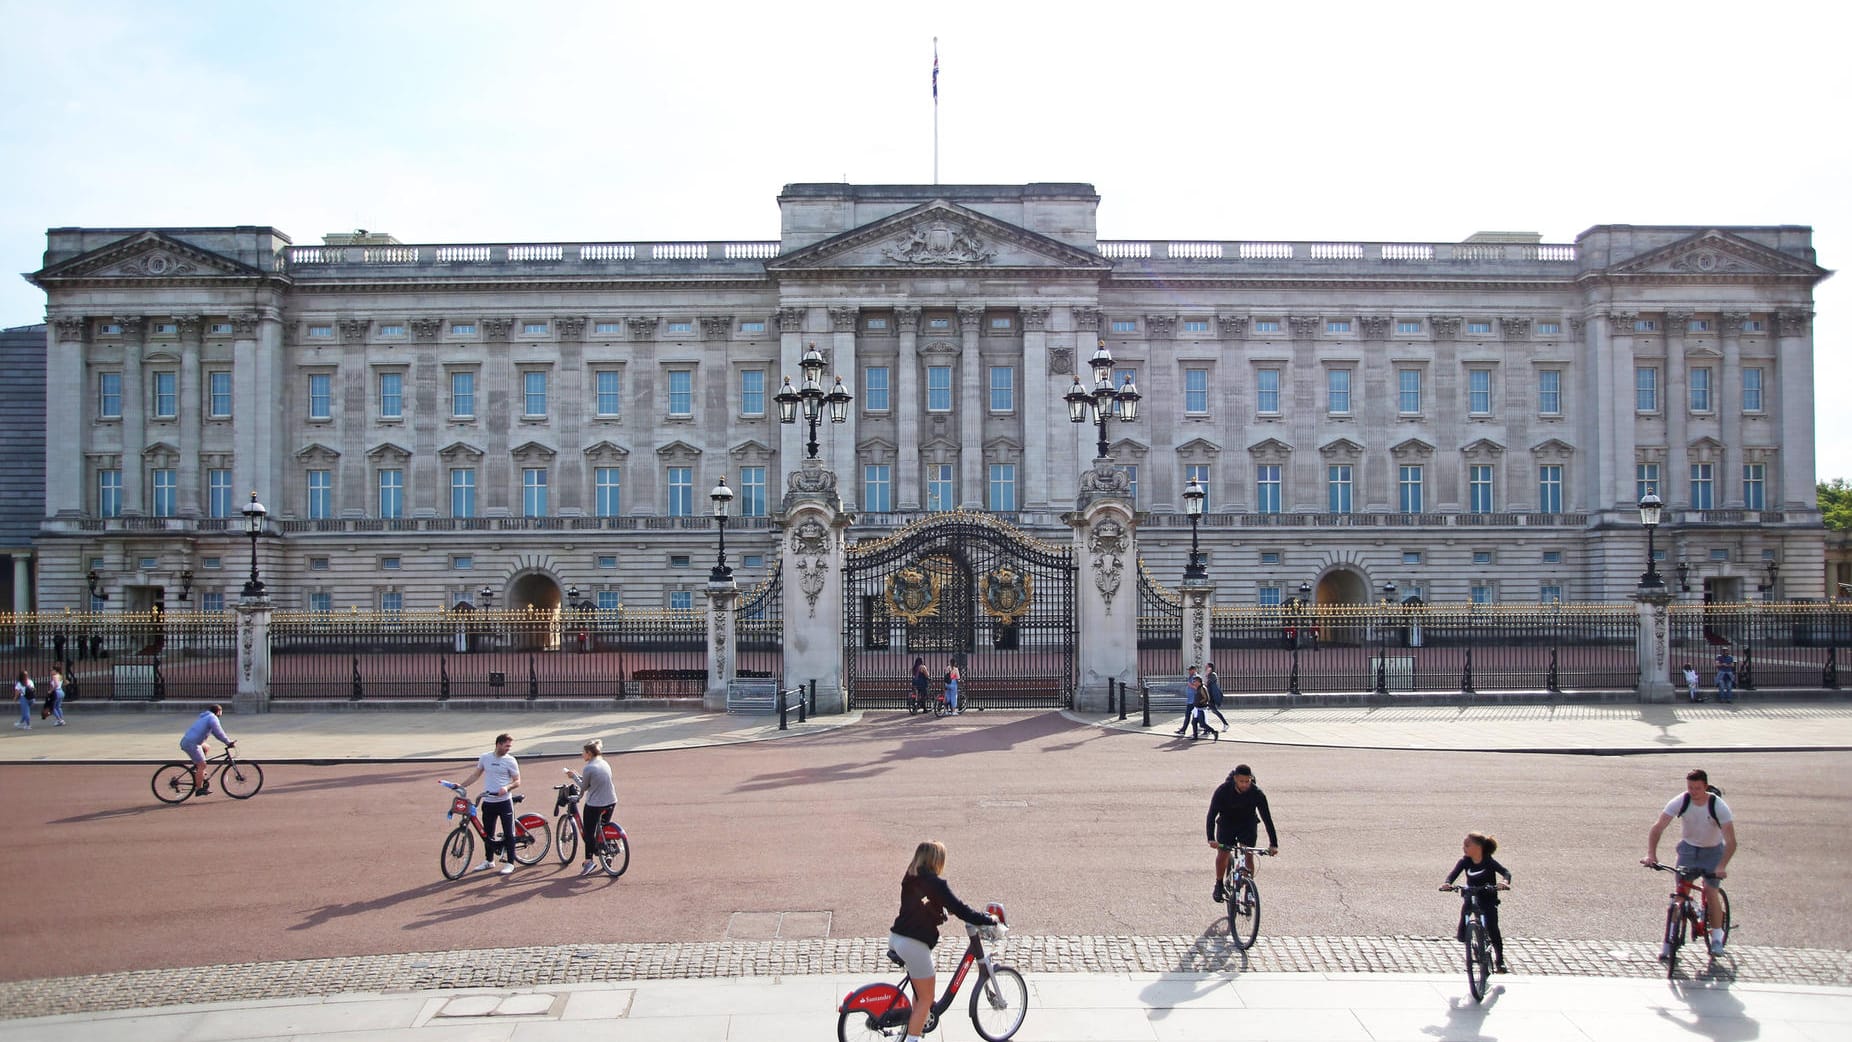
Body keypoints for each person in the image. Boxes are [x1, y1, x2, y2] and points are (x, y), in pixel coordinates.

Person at [888, 840, 999, 1042]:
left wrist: (940, 909)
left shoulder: (911, 876)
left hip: (897, 938)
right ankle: (912, 1039)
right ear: (937, 861)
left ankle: (917, 1026)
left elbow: (922, 904)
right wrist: (987, 920)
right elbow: (961, 909)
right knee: (927, 999)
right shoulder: (936, 884)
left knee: (921, 994)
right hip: (914, 944)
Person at [1642, 768, 1737, 957]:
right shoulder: (1682, 801)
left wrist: (1721, 866)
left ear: (1706, 787)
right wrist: (1651, 855)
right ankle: (1669, 944)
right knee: (1680, 894)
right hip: (1688, 850)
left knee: (1711, 891)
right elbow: (1658, 827)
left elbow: (1732, 841)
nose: (1693, 792)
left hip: (1712, 852)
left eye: (1697, 788)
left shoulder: (1718, 806)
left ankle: (1717, 939)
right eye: (1690, 787)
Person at [1441, 831, 1513, 973]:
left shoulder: (1488, 861)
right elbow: (1452, 875)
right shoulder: (1465, 862)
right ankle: (1464, 933)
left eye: (1467, 845)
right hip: (1472, 894)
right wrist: (1448, 883)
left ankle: (1499, 960)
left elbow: (1506, 872)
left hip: (1488, 896)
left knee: (1493, 928)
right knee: (1466, 909)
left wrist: (1504, 882)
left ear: (1478, 848)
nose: (1464, 848)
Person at [1206, 764, 1279, 902]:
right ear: (1235, 779)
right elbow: (1211, 815)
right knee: (1223, 854)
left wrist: (1273, 844)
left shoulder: (1257, 793)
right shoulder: (1223, 791)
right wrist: (1211, 838)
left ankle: (1248, 889)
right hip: (1227, 823)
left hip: (1247, 824)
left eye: (1247, 781)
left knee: (1248, 855)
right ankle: (1219, 883)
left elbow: (1267, 819)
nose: (1245, 784)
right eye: (1241, 781)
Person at [457, 733, 522, 875]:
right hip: (488, 801)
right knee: (487, 833)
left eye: (509, 746)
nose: (508, 749)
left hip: (504, 802)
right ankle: (489, 861)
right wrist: (461, 786)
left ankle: (510, 863)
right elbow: (476, 774)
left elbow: (517, 781)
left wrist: (507, 788)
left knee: (509, 833)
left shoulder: (510, 760)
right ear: (498, 744)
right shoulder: (485, 758)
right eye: (506, 746)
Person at [565, 738, 617, 876]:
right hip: (611, 801)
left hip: (596, 804)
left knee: (589, 832)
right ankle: (607, 853)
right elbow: (593, 780)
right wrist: (578, 776)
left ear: (589, 753)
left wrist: (574, 777)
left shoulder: (589, 767)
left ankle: (588, 862)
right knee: (604, 827)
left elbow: (584, 787)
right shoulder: (604, 763)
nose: (582, 754)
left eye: (583, 752)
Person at [179, 704, 233, 793]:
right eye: (221, 712)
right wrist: (228, 742)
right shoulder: (213, 718)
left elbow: (215, 733)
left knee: (206, 747)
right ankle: (199, 788)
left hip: (189, 741)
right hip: (192, 743)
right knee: (202, 765)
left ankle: (199, 770)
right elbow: (219, 732)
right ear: (218, 711)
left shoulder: (206, 717)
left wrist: (226, 741)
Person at [1174, 666, 1204, 736]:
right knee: (1187, 716)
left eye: (1190, 670)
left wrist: (1191, 686)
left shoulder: (1197, 678)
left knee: (1195, 718)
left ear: (1194, 670)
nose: (1189, 671)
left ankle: (1204, 729)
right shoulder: (1190, 677)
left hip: (1195, 701)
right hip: (1190, 700)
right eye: (1189, 670)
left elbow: (1199, 689)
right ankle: (1183, 730)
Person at [1203, 662, 1230, 731]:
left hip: (1211, 696)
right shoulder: (1209, 675)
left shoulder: (1213, 674)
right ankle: (1202, 725)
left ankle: (1225, 724)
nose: (1206, 668)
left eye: (1207, 667)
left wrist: (1206, 674)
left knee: (1213, 710)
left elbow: (1207, 683)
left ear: (1210, 668)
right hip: (1208, 695)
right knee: (1206, 710)